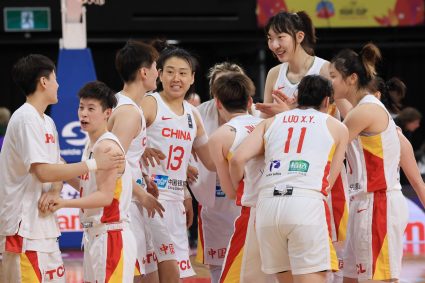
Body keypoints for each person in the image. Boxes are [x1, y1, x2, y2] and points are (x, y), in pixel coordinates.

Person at [0, 54, 123, 283]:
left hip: (46, 226)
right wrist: (96, 164)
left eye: (90, 108)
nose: (58, 84)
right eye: (55, 78)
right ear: (44, 82)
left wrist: (56, 192)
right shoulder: (26, 118)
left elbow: (57, 167)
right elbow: (44, 172)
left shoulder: (47, 121)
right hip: (22, 229)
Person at [229, 75, 347, 283]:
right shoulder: (337, 127)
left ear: (297, 97)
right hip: (305, 203)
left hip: (267, 207)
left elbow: (237, 159)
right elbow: (329, 180)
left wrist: (235, 192)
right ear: (327, 101)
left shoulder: (271, 122)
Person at [329, 43, 409, 282]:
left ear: (352, 79)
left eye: (333, 76)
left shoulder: (365, 112)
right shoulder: (359, 109)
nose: (329, 82)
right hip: (364, 203)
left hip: (378, 203)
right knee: (351, 278)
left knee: (380, 278)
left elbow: (328, 145)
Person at [50, 81, 137, 282]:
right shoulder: (91, 144)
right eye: (81, 107)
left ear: (107, 113)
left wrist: (64, 203)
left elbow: (105, 198)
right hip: (95, 235)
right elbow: (89, 189)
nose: (84, 114)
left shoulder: (106, 146)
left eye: (91, 109)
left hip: (111, 236)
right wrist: (63, 170)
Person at [140, 44, 215, 279]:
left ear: (192, 78)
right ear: (159, 74)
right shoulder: (150, 104)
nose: (176, 78)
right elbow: (120, 141)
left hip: (175, 202)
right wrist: (138, 150)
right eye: (170, 71)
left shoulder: (193, 115)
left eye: (183, 73)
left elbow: (211, 161)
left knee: (179, 275)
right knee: (156, 275)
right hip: (147, 199)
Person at [208, 72, 275, 283]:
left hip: (254, 212)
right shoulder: (270, 124)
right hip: (284, 207)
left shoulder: (220, 136)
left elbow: (230, 192)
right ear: (249, 101)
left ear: (218, 103)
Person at [108, 40, 167, 283]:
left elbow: (125, 159)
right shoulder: (129, 111)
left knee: (149, 275)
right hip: (124, 208)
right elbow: (113, 164)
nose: (158, 73)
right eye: (156, 67)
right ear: (144, 72)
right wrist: (141, 194)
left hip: (131, 201)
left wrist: (142, 183)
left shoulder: (123, 105)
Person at [191, 62, 245, 283]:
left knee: (248, 266)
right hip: (211, 200)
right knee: (217, 268)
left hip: (244, 202)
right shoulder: (198, 114)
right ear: (213, 93)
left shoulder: (253, 115)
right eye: (221, 85)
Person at [255, 10, 330, 118]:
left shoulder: (325, 69)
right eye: (270, 38)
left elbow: (333, 117)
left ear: (299, 37)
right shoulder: (274, 73)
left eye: (280, 37)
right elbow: (264, 119)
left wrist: (288, 112)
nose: (275, 45)